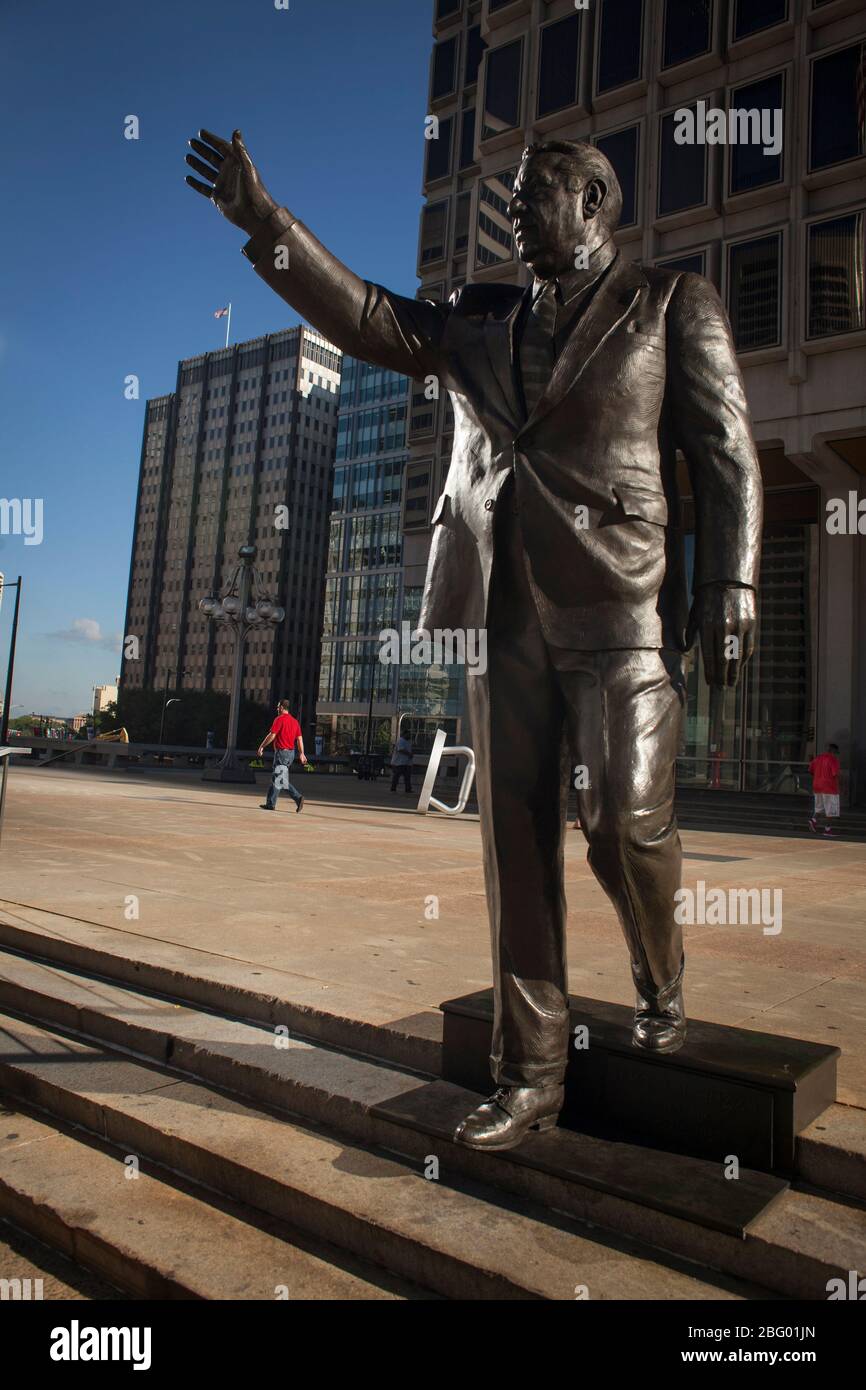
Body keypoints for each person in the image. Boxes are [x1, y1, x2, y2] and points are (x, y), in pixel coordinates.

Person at [186, 130, 761, 1152]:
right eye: (507, 196)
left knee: (623, 825)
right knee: (515, 849)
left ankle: (657, 971)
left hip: (620, 608)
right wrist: (264, 226)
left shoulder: (672, 302)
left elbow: (724, 452)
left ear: (592, 199)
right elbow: (365, 316)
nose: (511, 211)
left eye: (533, 193)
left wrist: (729, 582)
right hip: (499, 611)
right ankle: (529, 1071)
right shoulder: (476, 317)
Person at [258, 700, 306, 813]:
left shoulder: (279, 719)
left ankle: (298, 797)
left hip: (282, 754)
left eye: (278, 706)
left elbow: (272, 735)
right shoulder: (295, 722)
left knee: (281, 780)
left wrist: (261, 746)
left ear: (282, 708)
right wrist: (302, 753)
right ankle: (270, 803)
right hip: (291, 754)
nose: (276, 708)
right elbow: (299, 739)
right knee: (276, 778)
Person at [809, 742, 841, 836]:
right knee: (830, 810)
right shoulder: (833, 759)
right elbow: (835, 774)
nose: (836, 754)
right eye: (836, 752)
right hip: (829, 787)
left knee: (819, 808)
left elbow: (810, 770)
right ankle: (827, 830)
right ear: (833, 751)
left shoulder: (817, 758)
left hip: (817, 786)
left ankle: (813, 820)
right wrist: (840, 787)